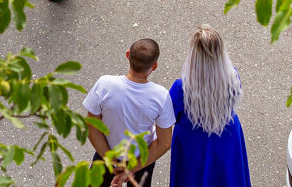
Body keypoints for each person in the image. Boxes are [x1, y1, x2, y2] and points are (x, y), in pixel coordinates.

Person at [84, 38, 176, 187]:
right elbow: (164, 143)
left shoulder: (104, 84)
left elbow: (92, 127)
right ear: (155, 66)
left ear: (128, 55)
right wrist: (131, 169)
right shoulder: (161, 96)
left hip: (105, 153)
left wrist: (113, 162)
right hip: (142, 159)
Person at [168, 25, 251, 187]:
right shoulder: (233, 77)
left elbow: (169, 116)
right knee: (228, 178)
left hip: (193, 144)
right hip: (227, 136)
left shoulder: (181, 87)